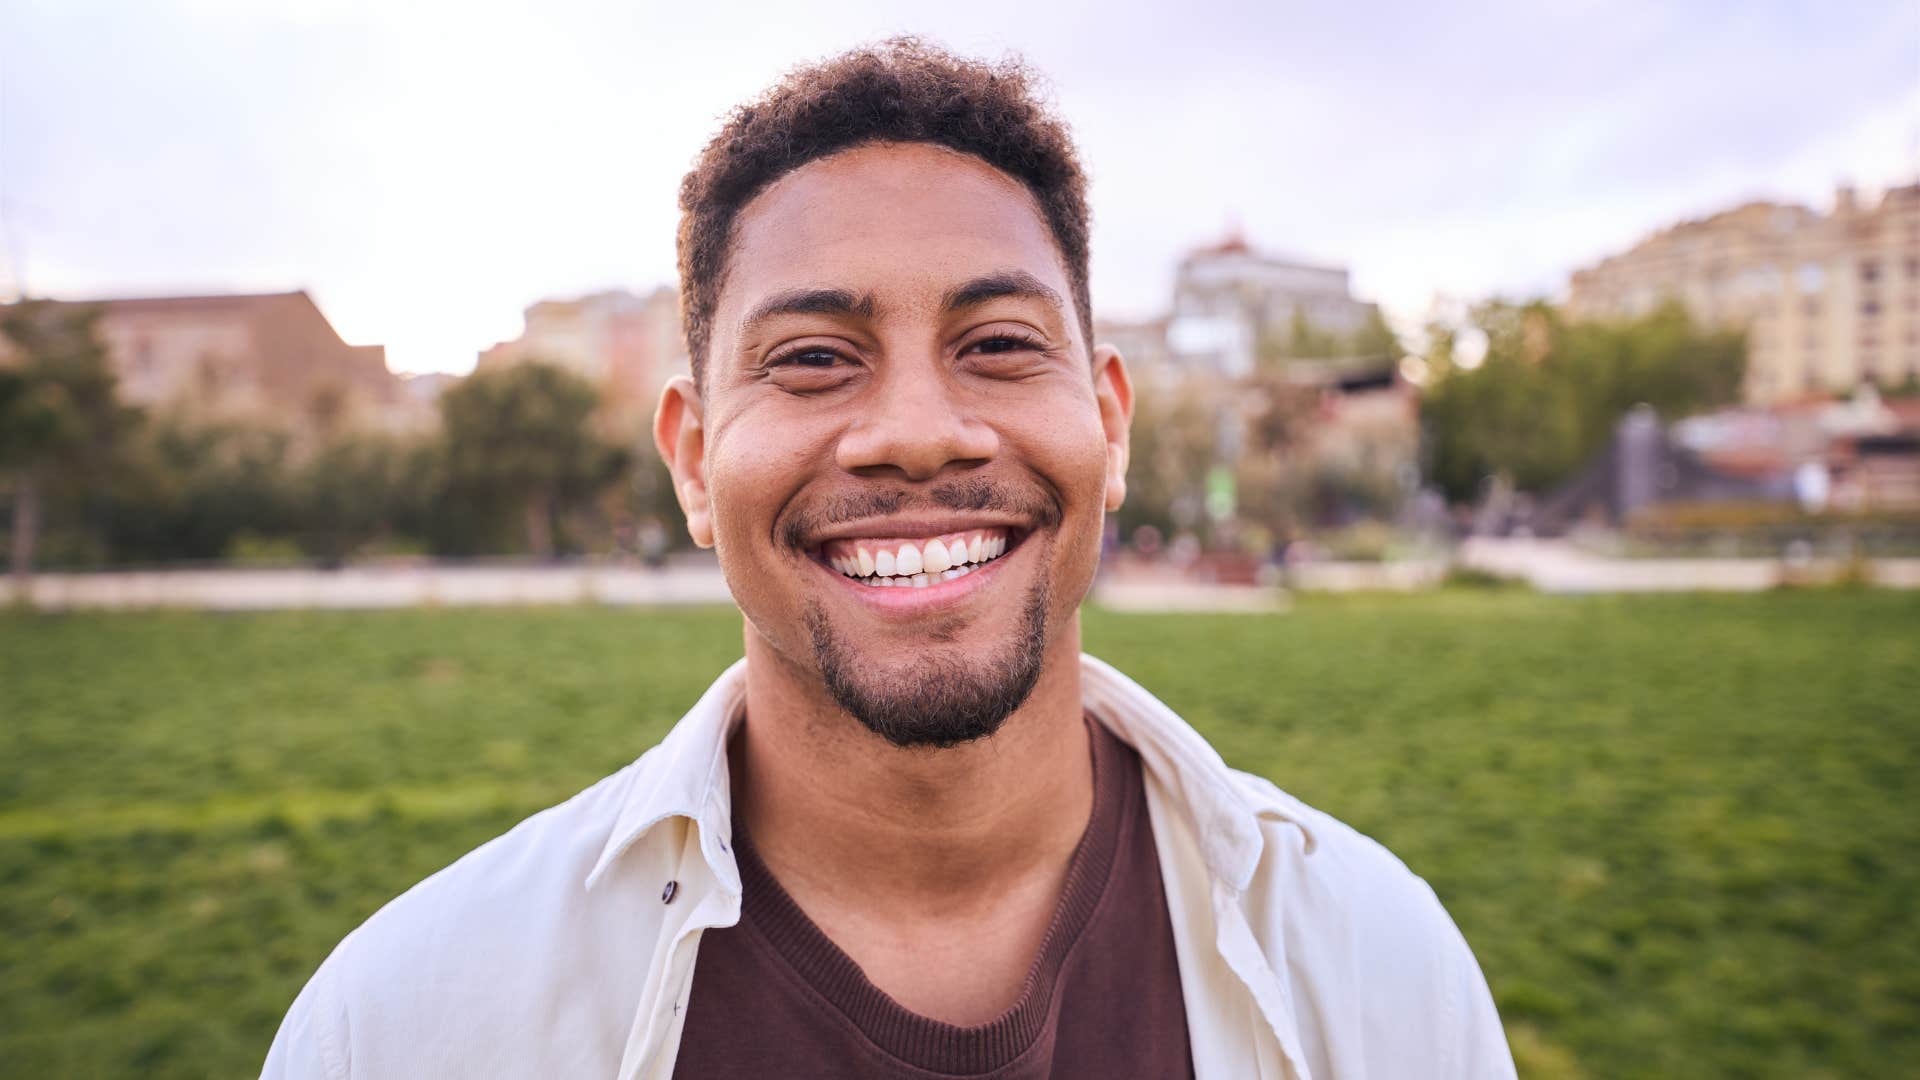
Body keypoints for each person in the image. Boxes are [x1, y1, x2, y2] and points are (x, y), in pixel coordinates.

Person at [263, 38, 1515, 1079]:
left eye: (999, 343)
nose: (918, 431)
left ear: (1111, 423)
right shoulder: (407, 1027)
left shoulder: (1376, 970)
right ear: (695, 463)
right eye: (812, 357)